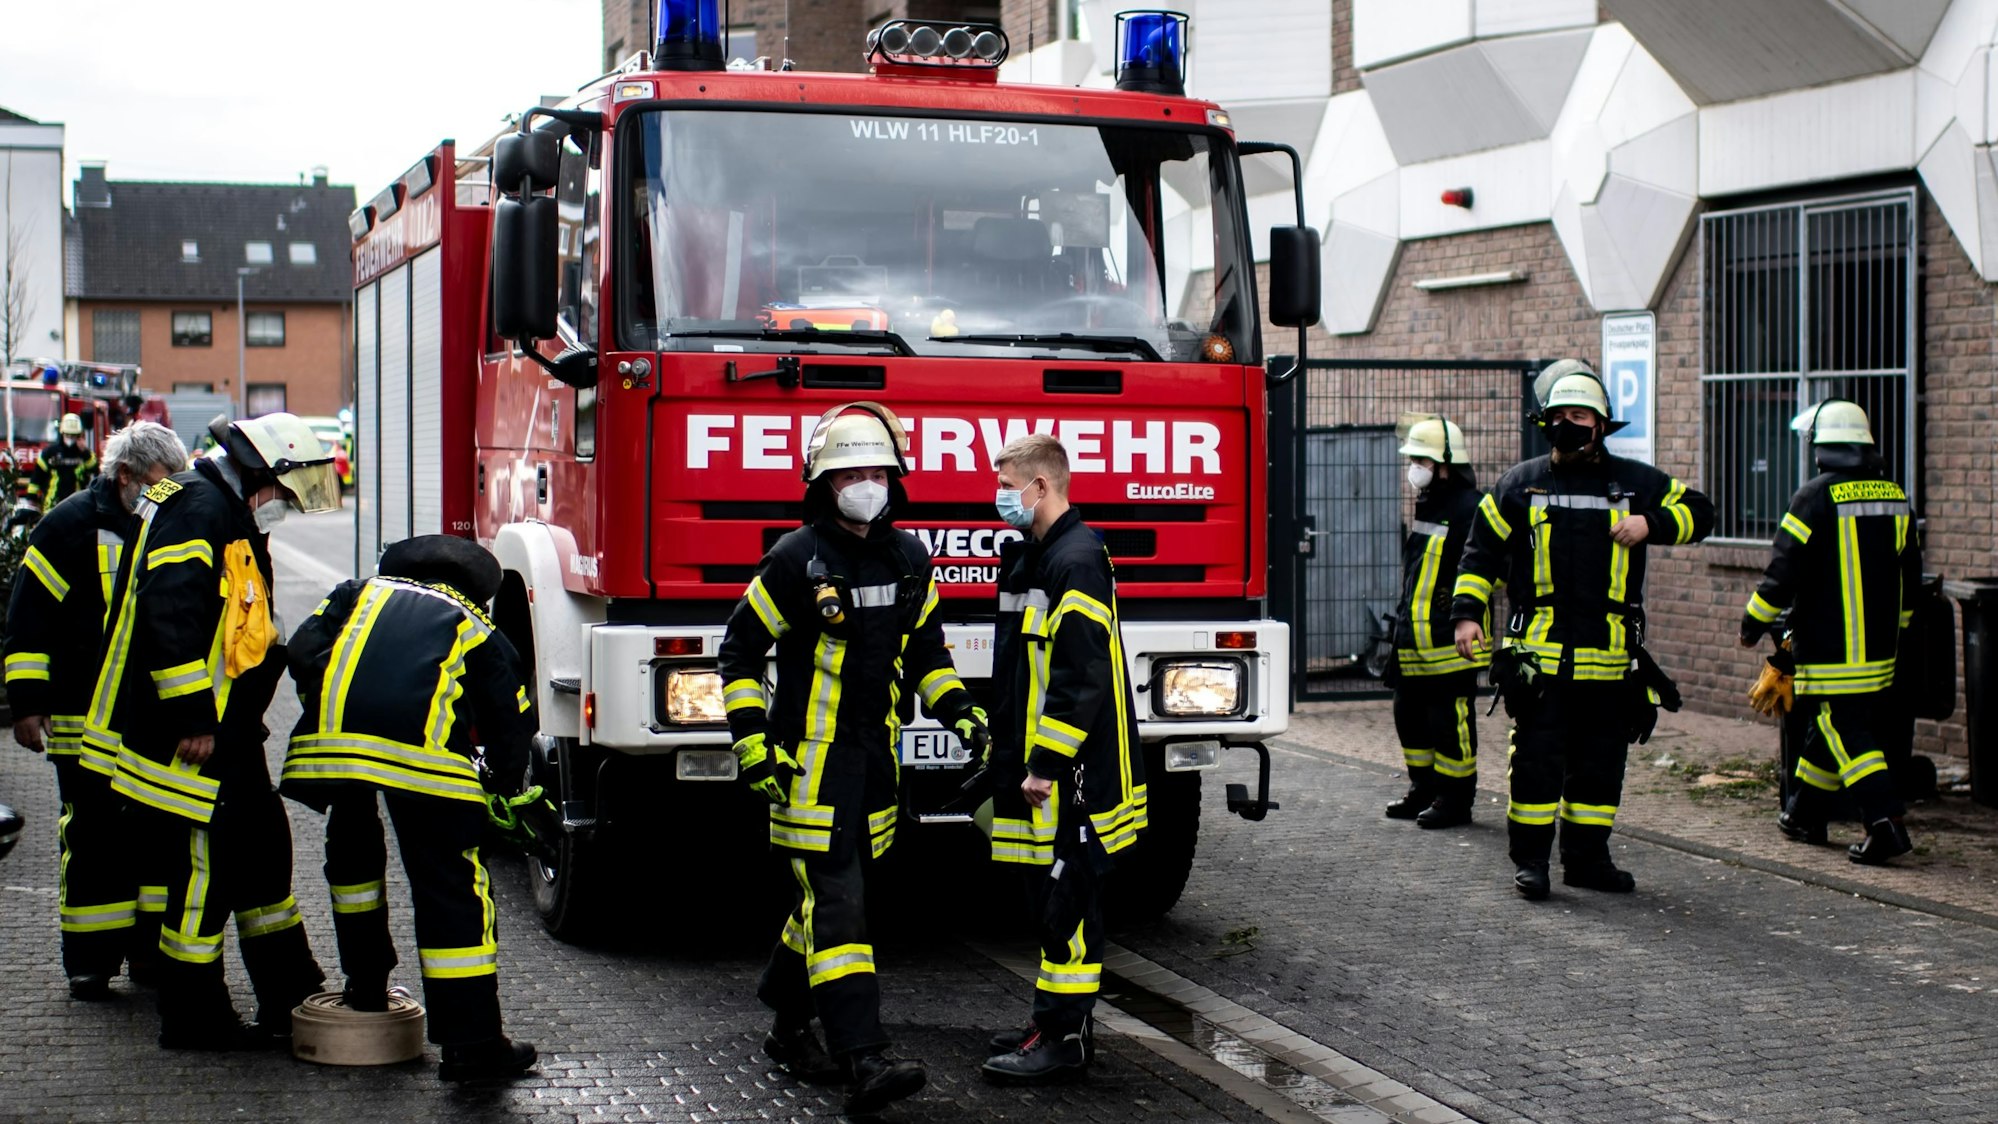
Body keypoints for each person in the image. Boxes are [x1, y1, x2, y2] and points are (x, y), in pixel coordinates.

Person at [716, 402, 988, 1117]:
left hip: (876, 765)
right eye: (851, 473)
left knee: (827, 902)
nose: (867, 484)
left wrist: (963, 715)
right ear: (823, 482)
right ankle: (863, 1057)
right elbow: (739, 652)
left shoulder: (910, 558)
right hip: (808, 765)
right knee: (840, 909)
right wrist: (751, 741)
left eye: (877, 471)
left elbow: (926, 653)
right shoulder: (793, 560)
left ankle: (785, 1014)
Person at [85, 413, 341, 1049]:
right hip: (185, 738)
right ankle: (193, 1014)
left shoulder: (221, 508)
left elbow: (237, 626)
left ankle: (290, 996)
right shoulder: (200, 507)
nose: (283, 505)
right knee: (208, 870)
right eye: (283, 493)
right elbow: (170, 614)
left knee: (262, 852)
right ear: (261, 473)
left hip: (228, 735)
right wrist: (192, 717)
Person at [280, 535, 542, 1081]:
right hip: (425, 763)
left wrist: (334, 708)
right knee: (451, 886)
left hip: (334, 749)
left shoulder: (355, 594)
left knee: (352, 862)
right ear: (477, 591)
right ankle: (472, 1045)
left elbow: (302, 651)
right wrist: (498, 790)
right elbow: (512, 723)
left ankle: (366, 986)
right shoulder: (478, 626)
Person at [1452, 361, 1713, 900]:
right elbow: (1479, 554)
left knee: (1599, 769)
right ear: (1546, 423)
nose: (1571, 424)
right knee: (1536, 767)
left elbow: (1701, 512)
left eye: (1582, 415)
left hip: (1611, 660)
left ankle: (1587, 861)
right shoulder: (1519, 486)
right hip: (1539, 663)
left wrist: (1653, 524)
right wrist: (1467, 613)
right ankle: (1531, 863)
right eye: (1562, 415)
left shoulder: (1638, 485)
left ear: (1601, 425)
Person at [981, 433, 1146, 1084]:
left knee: (1069, 904)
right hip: (1045, 767)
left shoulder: (1074, 561)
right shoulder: (1036, 556)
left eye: (1007, 484)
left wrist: (1045, 765)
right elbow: (1023, 670)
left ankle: (1066, 1040)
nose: (999, 497)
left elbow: (1081, 679)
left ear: (1041, 487)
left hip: (1071, 775)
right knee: (1049, 901)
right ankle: (1049, 1021)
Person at [4, 421, 188, 998]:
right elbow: (28, 618)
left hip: (143, 717)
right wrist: (28, 706)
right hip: (83, 716)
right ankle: (90, 961)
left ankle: (150, 956)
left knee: (156, 835)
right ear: (127, 476)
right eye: (161, 480)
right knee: (93, 835)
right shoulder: (70, 525)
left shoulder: (162, 521)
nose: (170, 490)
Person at [1741, 399, 1920, 865]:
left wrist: (1753, 623)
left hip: (1830, 648)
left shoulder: (1813, 497)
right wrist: (1898, 631)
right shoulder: (1896, 496)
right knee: (1835, 725)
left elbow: (1782, 573)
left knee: (1843, 727)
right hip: (1880, 651)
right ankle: (1805, 812)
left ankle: (1885, 824)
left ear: (1821, 449)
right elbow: (1911, 576)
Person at [1383, 415, 1490, 829]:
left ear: (1446, 465)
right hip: (1414, 641)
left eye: (1421, 461)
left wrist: (1460, 610)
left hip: (1451, 642)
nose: (1414, 469)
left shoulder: (1472, 508)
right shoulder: (1429, 506)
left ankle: (1456, 799)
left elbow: (1492, 569)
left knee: (1450, 724)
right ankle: (1423, 789)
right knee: (1408, 716)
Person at [30, 413, 99, 510]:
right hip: (52, 505)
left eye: (74, 436)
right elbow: (36, 477)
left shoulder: (84, 454)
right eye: (68, 435)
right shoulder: (50, 453)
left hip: (77, 504)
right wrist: (32, 497)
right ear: (62, 433)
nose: (70, 439)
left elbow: (95, 469)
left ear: (79, 435)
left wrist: (85, 452)